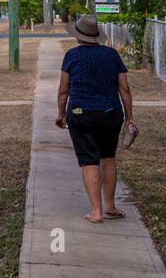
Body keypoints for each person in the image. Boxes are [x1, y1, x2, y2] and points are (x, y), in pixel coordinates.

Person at [56, 14, 135, 224]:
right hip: (110, 113)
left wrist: (61, 114)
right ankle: (110, 206)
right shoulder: (111, 55)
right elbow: (124, 89)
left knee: (89, 161)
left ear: (78, 36)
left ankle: (96, 211)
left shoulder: (71, 56)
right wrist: (129, 118)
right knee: (108, 157)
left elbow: (63, 91)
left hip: (81, 114)